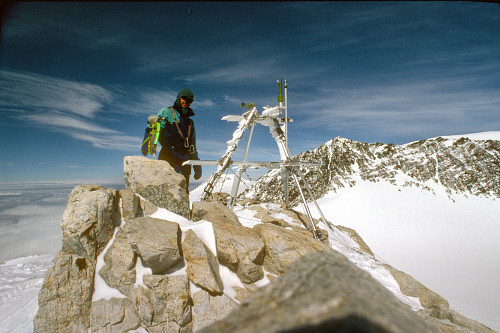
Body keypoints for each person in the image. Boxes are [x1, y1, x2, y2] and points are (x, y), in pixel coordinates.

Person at [148, 88, 202, 190]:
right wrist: (152, 118)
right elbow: (157, 125)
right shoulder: (166, 112)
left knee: (184, 194)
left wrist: (196, 164)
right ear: (179, 97)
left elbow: (192, 145)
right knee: (167, 193)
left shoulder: (190, 122)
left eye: (190, 100)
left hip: (186, 161)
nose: (186, 101)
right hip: (168, 158)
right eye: (184, 98)